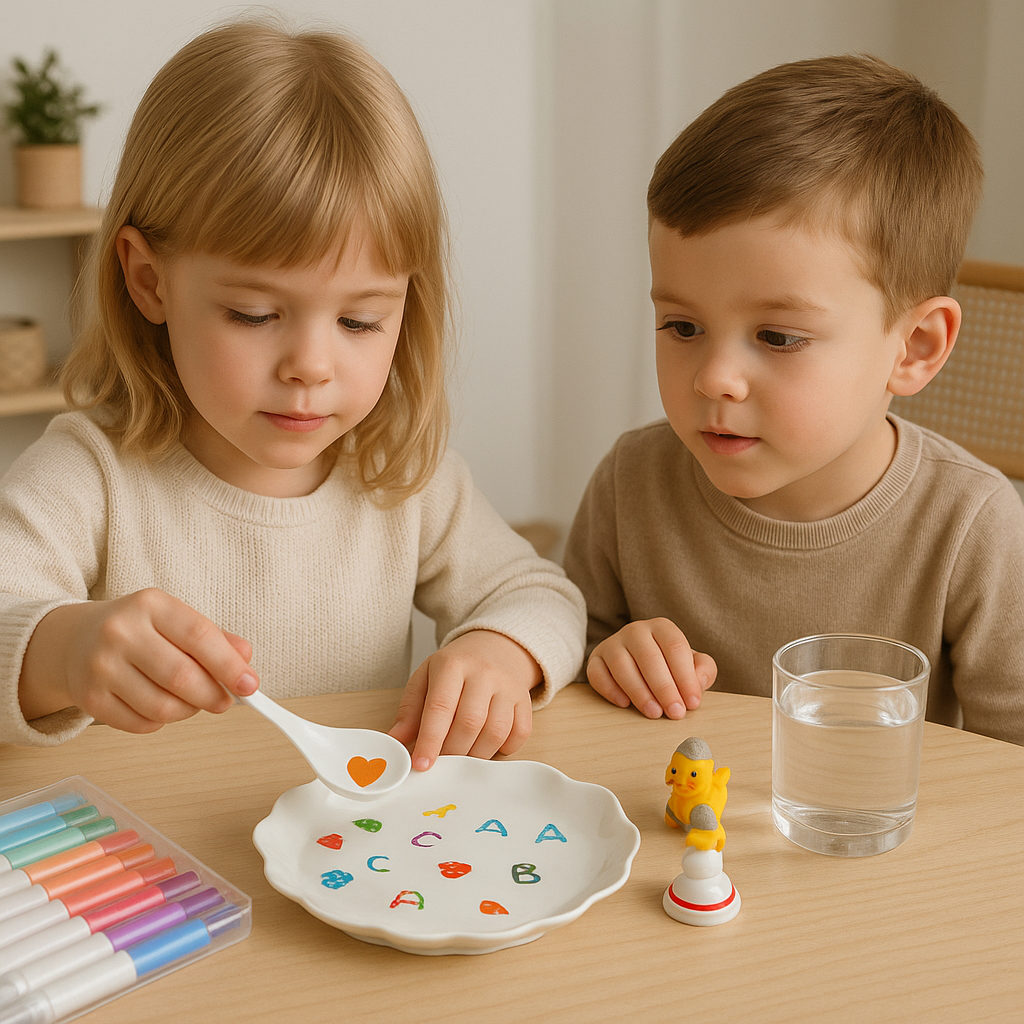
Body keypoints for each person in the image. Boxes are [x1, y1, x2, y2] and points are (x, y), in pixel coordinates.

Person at [0, 20, 585, 768]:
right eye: (255, 314)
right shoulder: (88, 477)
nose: (311, 365)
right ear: (149, 281)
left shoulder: (398, 476)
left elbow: (543, 593)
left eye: (359, 319)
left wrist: (499, 650)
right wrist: (65, 650)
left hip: (350, 863)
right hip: (155, 869)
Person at [563, 54, 1024, 745]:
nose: (715, 377)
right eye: (682, 326)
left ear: (916, 347)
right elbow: (559, 677)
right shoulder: (631, 482)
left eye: (778, 337)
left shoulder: (972, 525)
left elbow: (1007, 774)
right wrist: (601, 662)